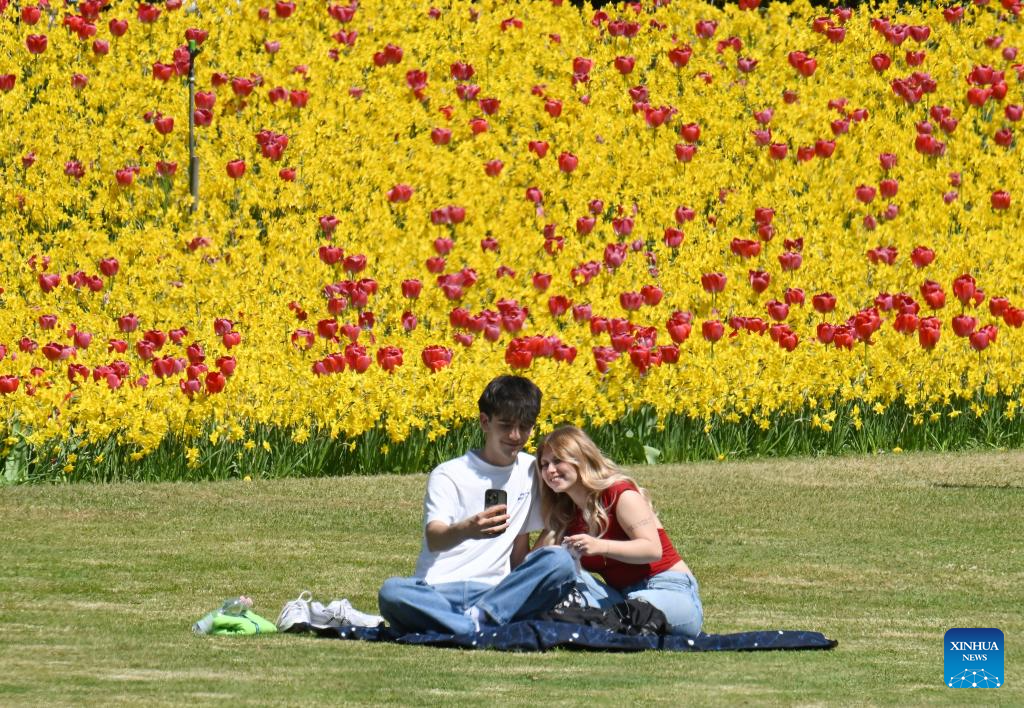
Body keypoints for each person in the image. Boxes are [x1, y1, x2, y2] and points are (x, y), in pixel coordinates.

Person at [378, 375, 576, 635]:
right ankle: (479, 623)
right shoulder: (449, 473)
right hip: (438, 590)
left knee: (560, 561)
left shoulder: (533, 470)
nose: (515, 436)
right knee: (392, 592)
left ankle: (473, 620)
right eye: (506, 425)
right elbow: (435, 538)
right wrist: (468, 528)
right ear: (485, 422)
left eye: (524, 427)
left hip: (496, 593)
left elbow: (521, 548)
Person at [534, 425, 704, 638]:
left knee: (638, 610)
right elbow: (535, 565)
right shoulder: (565, 515)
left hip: (667, 589)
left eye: (558, 461)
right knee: (557, 576)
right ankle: (602, 621)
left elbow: (652, 550)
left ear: (581, 459)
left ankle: (598, 621)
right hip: (619, 598)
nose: (550, 470)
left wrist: (599, 546)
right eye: (544, 464)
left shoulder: (619, 494)